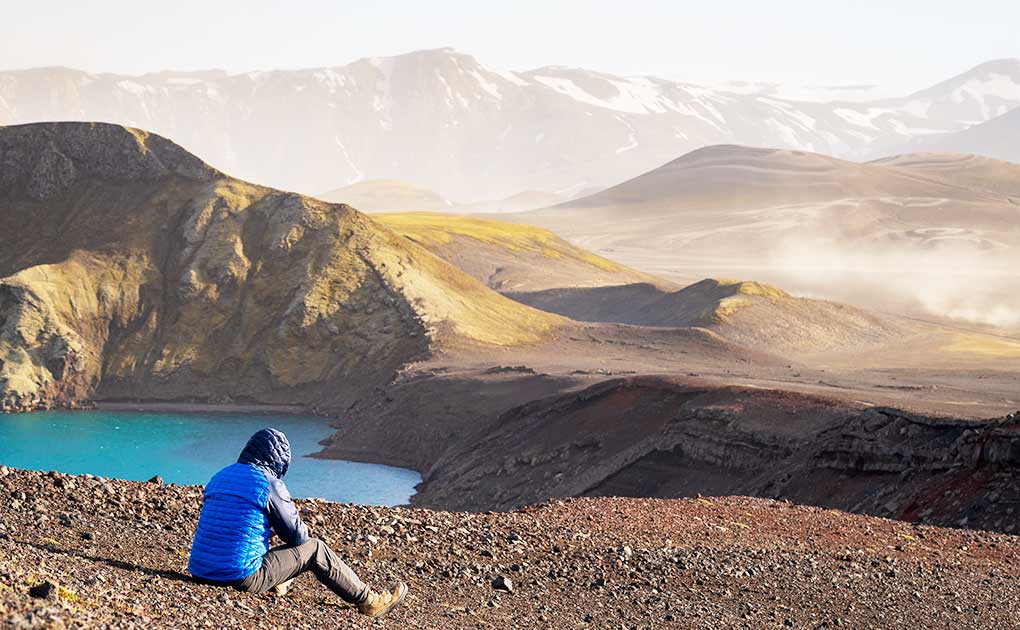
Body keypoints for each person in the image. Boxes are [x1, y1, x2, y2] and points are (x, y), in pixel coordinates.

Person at [188, 427, 408, 618]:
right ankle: (369, 601)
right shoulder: (268, 483)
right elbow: (297, 537)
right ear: (279, 459)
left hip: (200, 570)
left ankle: (278, 581)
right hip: (239, 578)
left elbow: (229, 525)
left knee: (257, 538)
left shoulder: (220, 476)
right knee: (315, 549)